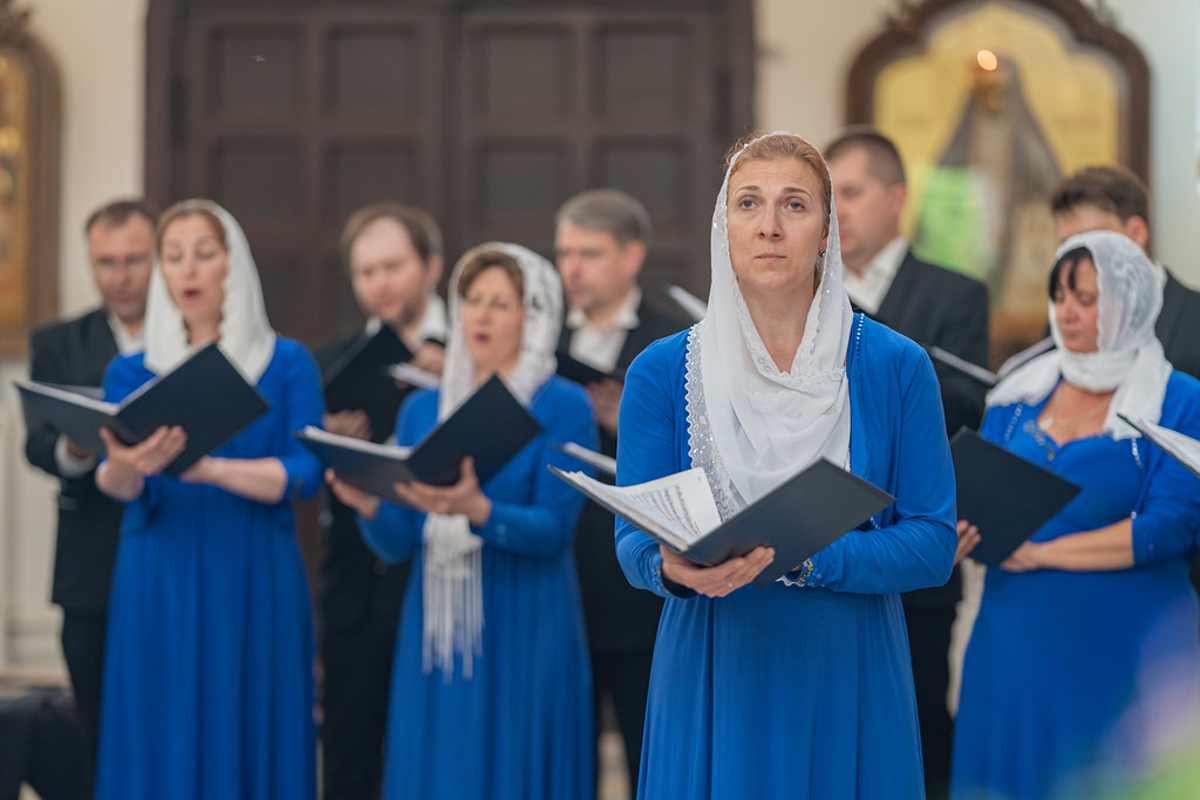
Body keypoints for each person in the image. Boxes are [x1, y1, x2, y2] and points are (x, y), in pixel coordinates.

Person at [615, 131, 957, 798]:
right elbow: (632, 538)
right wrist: (670, 568)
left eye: (794, 206)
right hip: (714, 660)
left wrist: (808, 559)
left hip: (848, 662)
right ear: (724, 225)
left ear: (827, 229)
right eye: (748, 204)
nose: (769, 227)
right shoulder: (661, 371)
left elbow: (933, 543)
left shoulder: (895, 366)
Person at [330, 243, 596, 800]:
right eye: (473, 300)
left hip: (524, 614)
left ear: (534, 315)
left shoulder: (561, 404)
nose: (481, 315)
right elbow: (400, 543)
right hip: (434, 623)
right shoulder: (421, 410)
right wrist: (370, 505)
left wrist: (480, 511)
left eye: (501, 303)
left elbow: (555, 530)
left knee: (517, 767)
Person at [951, 230, 1200, 799]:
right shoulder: (1017, 394)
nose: (1068, 313)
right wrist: (956, 532)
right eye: (1060, 296)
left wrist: (1041, 553)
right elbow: (978, 492)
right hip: (1012, 636)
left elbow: (1170, 527)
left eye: (1087, 299)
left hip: (1124, 639)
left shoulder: (1180, 398)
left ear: (1130, 305)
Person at [93, 200, 324, 799]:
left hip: (253, 567)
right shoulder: (130, 372)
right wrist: (123, 465)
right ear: (161, 273)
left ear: (233, 265)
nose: (188, 269)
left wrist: (212, 469)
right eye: (173, 257)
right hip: (158, 570)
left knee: (252, 717)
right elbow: (116, 484)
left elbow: (306, 471)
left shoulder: (287, 362)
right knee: (157, 721)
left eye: (204, 254)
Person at [826, 127, 990, 796]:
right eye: (826, 196)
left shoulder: (953, 293)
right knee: (839, 735)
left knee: (918, 727)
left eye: (851, 193)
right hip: (825, 534)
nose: (837, 211)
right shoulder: (809, 293)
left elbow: (967, 400)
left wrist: (887, 353)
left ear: (897, 197)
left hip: (912, 537)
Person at [23, 198, 156, 794]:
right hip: (90, 565)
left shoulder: (188, 340)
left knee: (164, 720)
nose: (119, 277)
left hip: (170, 545)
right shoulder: (60, 342)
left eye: (133, 261)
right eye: (105, 262)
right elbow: (37, 443)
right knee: (98, 726)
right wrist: (78, 450)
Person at [553, 188, 684, 790]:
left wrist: (624, 422)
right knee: (561, 749)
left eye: (589, 252)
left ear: (632, 257)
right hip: (559, 567)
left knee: (647, 742)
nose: (571, 269)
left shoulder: (674, 340)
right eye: (564, 254)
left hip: (638, 579)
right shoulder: (542, 345)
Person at [315, 203, 447, 800]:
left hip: (442, 578)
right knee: (349, 756)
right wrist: (332, 440)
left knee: (435, 758)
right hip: (355, 585)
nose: (380, 283)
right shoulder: (335, 363)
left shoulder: (477, 347)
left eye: (393, 266)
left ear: (432, 267)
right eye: (366, 272)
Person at [1050, 166, 1200, 596]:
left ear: (1136, 233)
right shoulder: (1061, 331)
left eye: (1091, 240)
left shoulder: (1195, 317)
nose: (1076, 257)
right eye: (1066, 246)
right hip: (1073, 564)